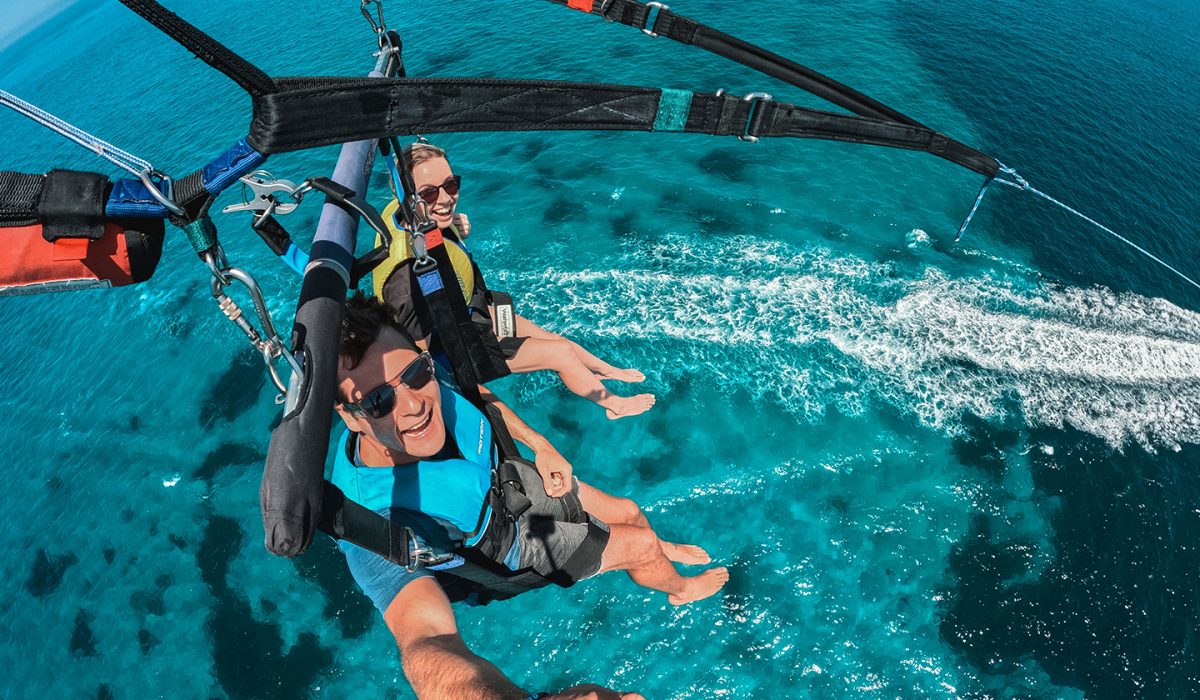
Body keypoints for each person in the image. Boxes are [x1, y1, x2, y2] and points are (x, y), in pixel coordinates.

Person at [332, 294, 729, 698]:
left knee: (630, 511)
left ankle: (661, 554)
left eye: (415, 374)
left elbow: (475, 397)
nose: (414, 405)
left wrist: (541, 445)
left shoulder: (430, 375)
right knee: (640, 545)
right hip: (512, 548)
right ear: (349, 416)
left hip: (508, 482)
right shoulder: (373, 521)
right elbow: (426, 644)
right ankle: (680, 589)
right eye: (379, 401)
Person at [374, 142, 656, 420]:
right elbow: (422, 347)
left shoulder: (405, 213)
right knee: (560, 354)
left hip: (472, 312)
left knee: (553, 338)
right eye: (430, 193)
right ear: (408, 197)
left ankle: (604, 370)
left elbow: (429, 224)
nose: (446, 199)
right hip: (460, 351)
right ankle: (614, 406)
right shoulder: (407, 277)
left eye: (451, 185)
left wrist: (449, 224)